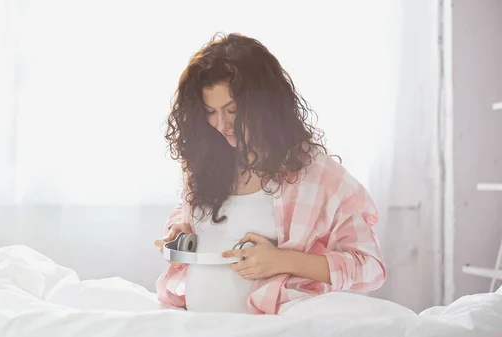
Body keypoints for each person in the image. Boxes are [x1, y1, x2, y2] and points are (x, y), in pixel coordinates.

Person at [153, 32, 386, 315]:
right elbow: (189, 212)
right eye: (210, 112)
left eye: (233, 109)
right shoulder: (208, 165)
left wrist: (282, 260)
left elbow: (369, 266)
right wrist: (181, 229)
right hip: (199, 326)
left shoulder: (313, 174)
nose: (222, 124)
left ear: (264, 105)